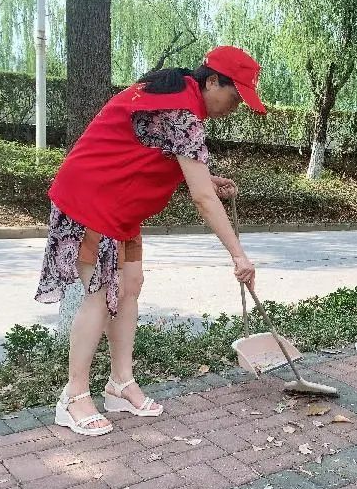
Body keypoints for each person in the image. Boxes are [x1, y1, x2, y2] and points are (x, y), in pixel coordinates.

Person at [35, 46, 266, 437]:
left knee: (130, 285)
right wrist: (238, 255)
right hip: (92, 200)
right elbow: (201, 199)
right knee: (100, 293)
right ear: (212, 81)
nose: (237, 106)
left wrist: (207, 179)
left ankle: (120, 384)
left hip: (119, 205)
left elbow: (150, 148)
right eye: (236, 96)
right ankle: (73, 396)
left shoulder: (177, 97)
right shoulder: (181, 110)